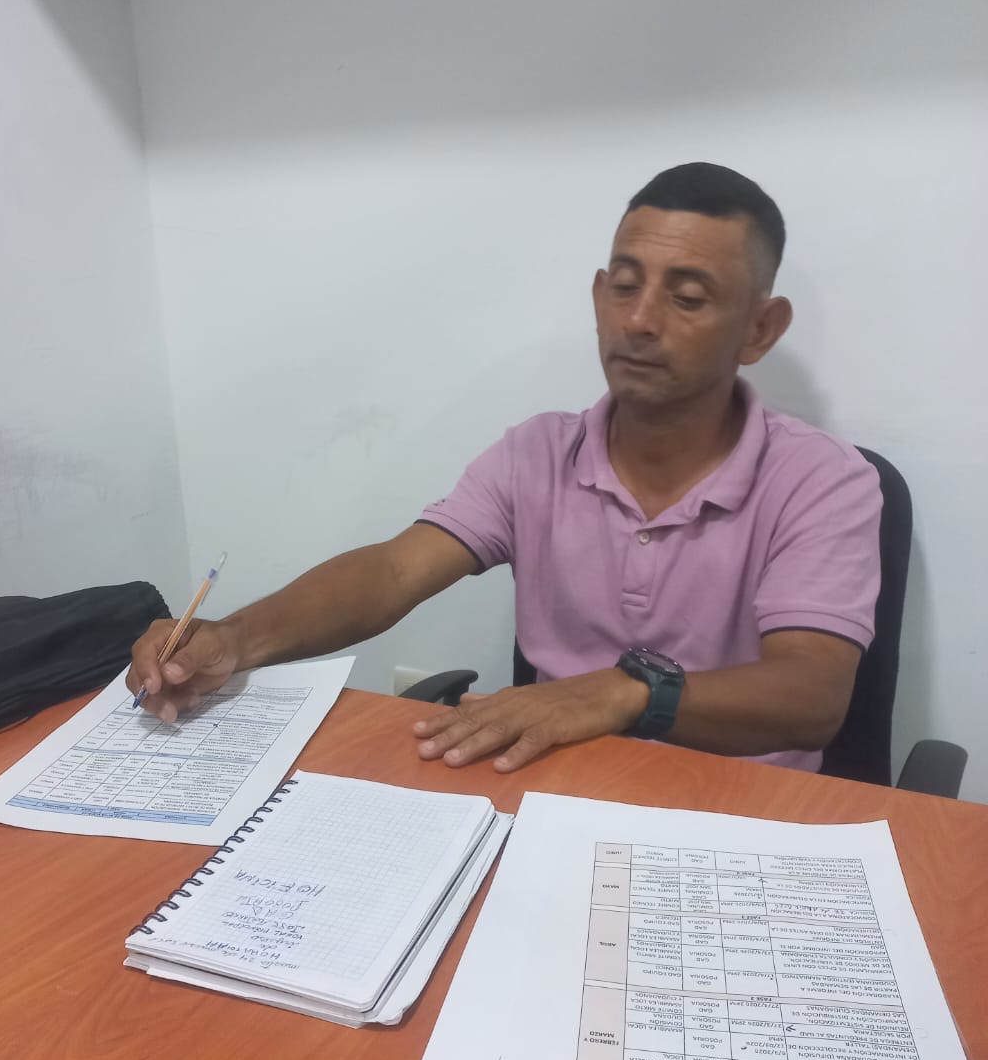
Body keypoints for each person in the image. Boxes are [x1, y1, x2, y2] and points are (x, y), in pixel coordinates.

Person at [128, 163, 880, 775]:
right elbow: (393, 571)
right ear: (599, 296)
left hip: (746, 807)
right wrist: (233, 639)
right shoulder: (537, 454)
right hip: (551, 785)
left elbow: (810, 695)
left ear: (760, 329)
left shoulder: (821, 481)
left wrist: (624, 695)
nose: (640, 321)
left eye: (687, 298)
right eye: (624, 287)